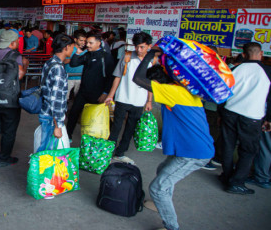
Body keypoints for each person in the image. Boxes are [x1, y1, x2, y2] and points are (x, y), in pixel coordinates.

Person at [132, 47, 214, 230]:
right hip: (189, 148)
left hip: (194, 153)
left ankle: (172, 227)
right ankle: (160, 201)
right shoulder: (183, 90)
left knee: (158, 188)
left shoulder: (171, 92)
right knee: (163, 169)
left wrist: (150, 56)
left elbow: (138, 78)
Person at [220, 42, 271, 194]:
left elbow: (222, 92)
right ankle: (236, 182)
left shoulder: (234, 69)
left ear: (243, 54)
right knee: (248, 150)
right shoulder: (267, 71)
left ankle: (227, 176)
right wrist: (268, 118)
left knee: (228, 146)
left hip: (230, 112)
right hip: (251, 117)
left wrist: (221, 113)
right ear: (260, 53)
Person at [0, 30, 29, 174]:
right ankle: (3, 158)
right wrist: (25, 64)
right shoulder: (16, 56)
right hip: (10, 101)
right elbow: (19, 75)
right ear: (13, 43)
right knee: (9, 130)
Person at [105, 32, 154, 165]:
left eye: (142, 47)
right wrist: (110, 95)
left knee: (130, 128)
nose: (139, 50)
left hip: (139, 101)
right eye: (137, 46)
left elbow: (151, 84)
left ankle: (120, 153)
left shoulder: (152, 61)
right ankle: (108, 153)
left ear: (149, 46)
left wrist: (149, 101)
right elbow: (117, 77)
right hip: (122, 98)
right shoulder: (127, 57)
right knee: (116, 127)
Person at [66, 32, 115, 139]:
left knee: (99, 116)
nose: (87, 45)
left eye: (90, 43)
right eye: (87, 42)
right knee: (73, 113)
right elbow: (73, 64)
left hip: (98, 93)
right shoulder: (88, 54)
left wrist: (105, 93)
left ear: (99, 43)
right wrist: (77, 53)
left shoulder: (106, 57)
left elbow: (111, 77)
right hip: (83, 92)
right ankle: (67, 136)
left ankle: (105, 140)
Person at [37, 34, 74, 152]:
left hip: (45, 112)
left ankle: (42, 170)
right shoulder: (58, 68)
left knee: (45, 149)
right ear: (66, 47)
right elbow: (56, 98)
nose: (73, 50)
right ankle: (42, 171)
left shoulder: (50, 62)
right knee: (48, 152)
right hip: (51, 118)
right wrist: (57, 125)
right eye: (72, 47)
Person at [64, 29, 87, 101]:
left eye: (84, 41)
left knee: (78, 98)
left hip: (80, 77)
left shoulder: (86, 50)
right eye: (81, 40)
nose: (83, 43)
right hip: (69, 77)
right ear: (75, 39)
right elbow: (63, 61)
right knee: (65, 97)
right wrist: (76, 59)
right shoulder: (69, 48)